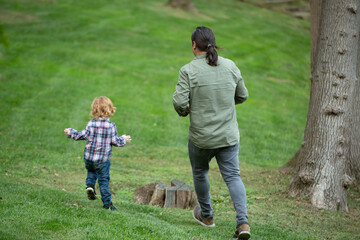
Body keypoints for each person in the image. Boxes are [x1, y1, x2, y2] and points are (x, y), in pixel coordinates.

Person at [173, 26, 250, 239]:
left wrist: (185, 110)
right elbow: (242, 95)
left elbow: (180, 102)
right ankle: (243, 223)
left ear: (194, 45)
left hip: (201, 138)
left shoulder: (188, 70)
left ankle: (207, 216)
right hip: (228, 136)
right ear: (213, 45)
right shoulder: (230, 66)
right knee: (233, 176)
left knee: (200, 172)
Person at [64, 96, 131, 210]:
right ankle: (107, 204)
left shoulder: (91, 124)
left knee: (91, 171)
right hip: (102, 160)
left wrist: (70, 132)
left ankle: (90, 186)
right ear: (110, 109)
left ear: (94, 110)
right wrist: (124, 139)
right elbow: (115, 141)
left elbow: (82, 135)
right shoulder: (111, 126)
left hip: (89, 158)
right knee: (103, 181)